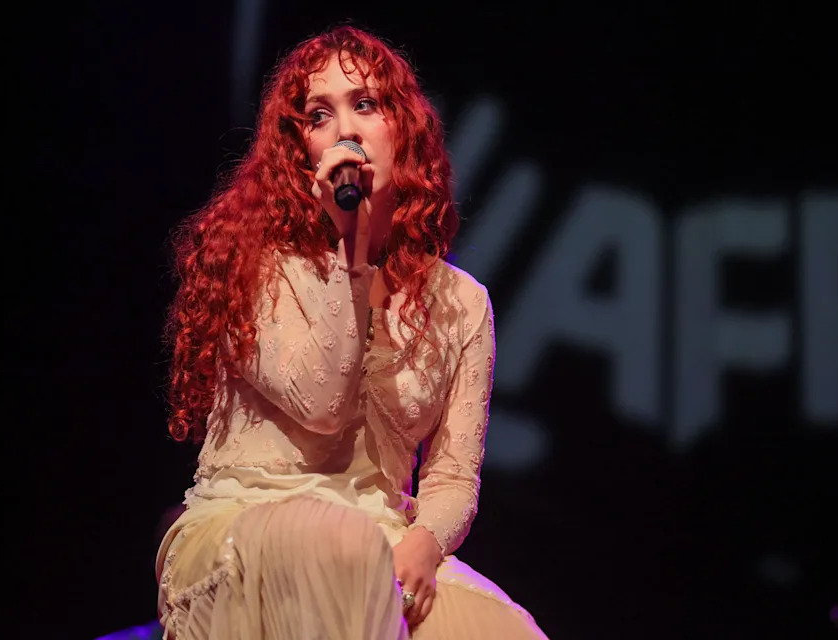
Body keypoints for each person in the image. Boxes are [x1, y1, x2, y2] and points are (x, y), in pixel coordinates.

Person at [155, 24, 551, 640]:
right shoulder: (250, 260)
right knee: (341, 551)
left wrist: (424, 543)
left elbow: (451, 477)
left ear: (403, 129)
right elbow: (321, 405)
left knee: (502, 631)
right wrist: (351, 252)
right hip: (249, 525)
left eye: (364, 104)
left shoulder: (462, 303)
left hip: (380, 537)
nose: (345, 129)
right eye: (319, 115)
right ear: (301, 151)